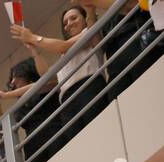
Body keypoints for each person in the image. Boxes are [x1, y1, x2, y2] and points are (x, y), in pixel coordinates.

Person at [12, 6, 107, 153]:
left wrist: (33, 38)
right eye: (65, 22)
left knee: (101, 137)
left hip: (88, 87)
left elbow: (64, 46)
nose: (68, 24)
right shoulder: (64, 55)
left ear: (84, 18)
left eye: (73, 18)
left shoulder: (89, 31)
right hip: (67, 102)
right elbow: (47, 77)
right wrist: (34, 50)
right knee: (80, 150)